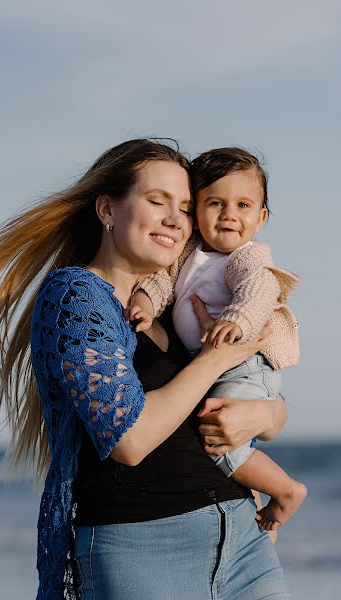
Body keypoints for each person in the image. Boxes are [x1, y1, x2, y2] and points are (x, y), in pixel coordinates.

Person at [0, 138, 290, 599]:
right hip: (143, 552)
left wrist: (271, 415)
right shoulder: (76, 296)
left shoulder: (167, 306)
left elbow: (238, 394)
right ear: (107, 210)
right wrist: (218, 356)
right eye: (157, 202)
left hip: (242, 539)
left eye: (187, 207)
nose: (177, 219)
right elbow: (129, 439)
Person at [128, 147, 307, 532]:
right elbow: (161, 282)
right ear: (196, 211)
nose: (229, 214)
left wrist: (236, 320)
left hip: (245, 363)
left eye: (243, 205)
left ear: (260, 219)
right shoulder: (187, 253)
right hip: (213, 364)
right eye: (215, 203)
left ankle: (286, 490)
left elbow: (258, 290)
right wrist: (143, 300)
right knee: (225, 431)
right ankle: (253, 495)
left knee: (220, 439)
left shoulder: (246, 257)